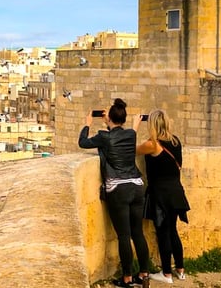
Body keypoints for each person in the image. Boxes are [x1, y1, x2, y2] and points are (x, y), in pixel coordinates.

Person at [79, 98, 150, 287]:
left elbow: (83, 142)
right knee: (138, 234)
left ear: (109, 118)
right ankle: (144, 274)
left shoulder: (104, 136)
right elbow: (122, 136)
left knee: (124, 236)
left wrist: (88, 123)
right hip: (136, 186)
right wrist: (110, 121)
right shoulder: (131, 135)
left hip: (118, 189)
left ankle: (127, 277)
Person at [135, 109, 190, 284]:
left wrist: (134, 127)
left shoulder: (153, 144)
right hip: (176, 192)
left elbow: (131, 150)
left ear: (152, 124)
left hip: (160, 194)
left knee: (163, 232)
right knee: (173, 231)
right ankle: (180, 270)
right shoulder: (175, 141)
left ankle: (166, 274)